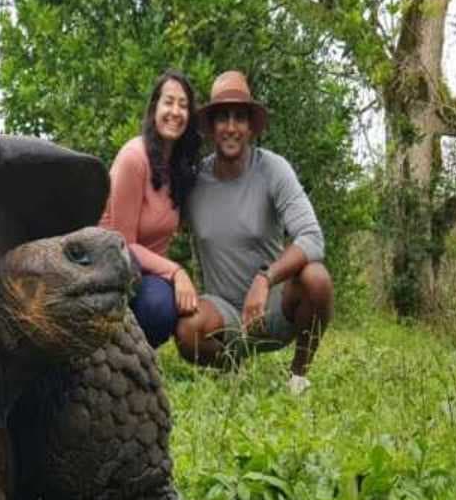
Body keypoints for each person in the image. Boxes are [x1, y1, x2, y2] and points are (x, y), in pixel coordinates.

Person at [174, 70, 334, 394]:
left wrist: (265, 278)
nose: (231, 127)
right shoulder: (195, 182)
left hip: (272, 308)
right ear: (212, 127)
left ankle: (298, 380)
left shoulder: (273, 169)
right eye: (222, 118)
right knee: (188, 330)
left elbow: (312, 237)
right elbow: (160, 225)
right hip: (224, 310)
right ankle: (231, 368)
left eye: (240, 118)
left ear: (250, 127)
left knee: (316, 278)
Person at [100, 69, 202, 347]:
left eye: (183, 105)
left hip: (147, 271)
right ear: (154, 107)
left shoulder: (180, 168)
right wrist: (176, 272)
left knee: (166, 306)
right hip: (111, 264)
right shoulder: (134, 158)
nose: (175, 111)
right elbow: (123, 243)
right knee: (158, 308)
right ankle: (115, 350)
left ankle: (138, 358)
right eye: (169, 102)